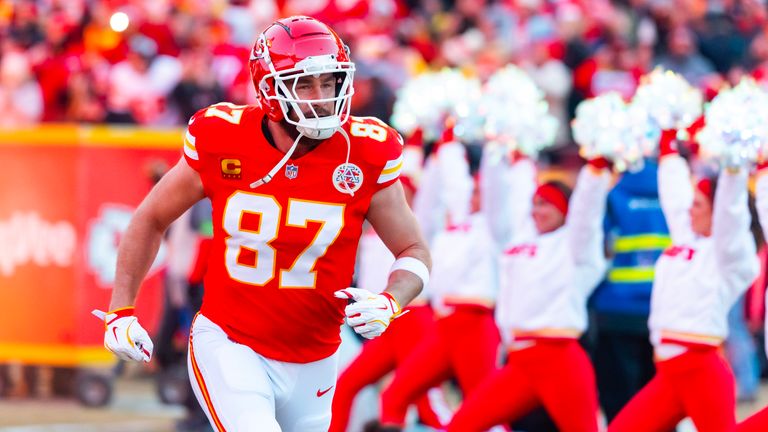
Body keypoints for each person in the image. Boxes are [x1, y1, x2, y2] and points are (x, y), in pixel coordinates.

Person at [96, 16, 430, 432]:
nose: (322, 96)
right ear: (270, 87)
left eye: (329, 82)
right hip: (231, 342)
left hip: (317, 357)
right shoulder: (223, 137)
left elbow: (414, 251)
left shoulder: (364, 150)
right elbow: (149, 218)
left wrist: (390, 300)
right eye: (305, 84)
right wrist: (121, 310)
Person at [446, 149, 611, 432]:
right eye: (535, 204)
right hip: (519, 362)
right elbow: (497, 203)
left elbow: (587, 215)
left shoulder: (576, 249)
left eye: (546, 204)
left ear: (564, 211)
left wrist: (595, 172)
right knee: (462, 425)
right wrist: (496, 150)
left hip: (561, 360)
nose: (537, 211)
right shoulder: (516, 242)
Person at [608, 132, 761, 432]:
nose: (690, 210)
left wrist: (732, 169)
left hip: (701, 372)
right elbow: (675, 198)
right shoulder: (686, 238)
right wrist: (668, 149)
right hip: (667, 374)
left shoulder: (730, 255)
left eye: (699, 206)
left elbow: (731, 216)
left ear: (716, 212)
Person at [375, 140, 501, 432]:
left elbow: (498, 191)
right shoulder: (452, 223)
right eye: (473, 189)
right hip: (443, 323)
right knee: (395, 396)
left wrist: (500, 149)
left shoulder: (496, 227)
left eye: (481, 191)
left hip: (474, 323)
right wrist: (444, 149)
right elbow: (441, 193)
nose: (473, 195)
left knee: (484, 411)